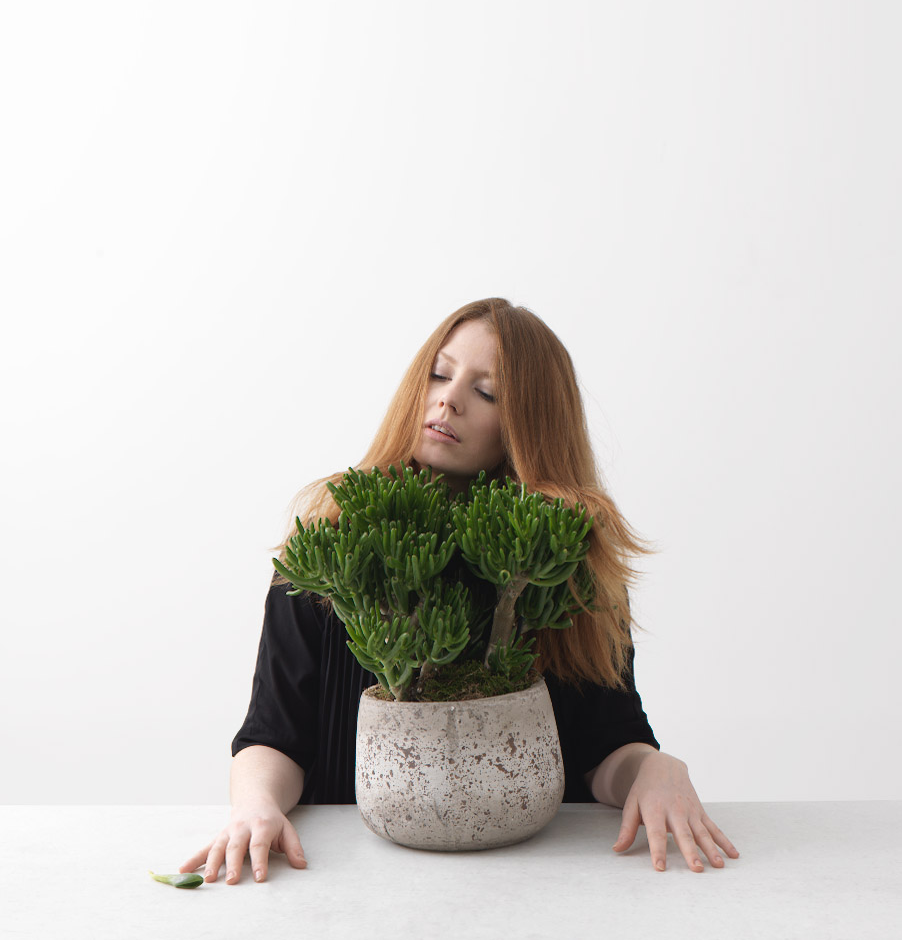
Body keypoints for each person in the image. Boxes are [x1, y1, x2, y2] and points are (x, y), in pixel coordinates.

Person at [181, 298, 739, 884]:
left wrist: (652, 767)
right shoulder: (334, 537)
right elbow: (275, 734)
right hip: (357, 877)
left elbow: (608, 745)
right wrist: (254, 804)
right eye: (440, 373)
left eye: (488, 392)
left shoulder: (557, 555)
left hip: (535, 875)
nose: (449, 399)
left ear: (529, 426)